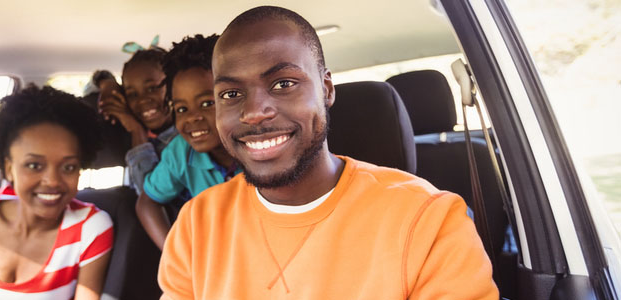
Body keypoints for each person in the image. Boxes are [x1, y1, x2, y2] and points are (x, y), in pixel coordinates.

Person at [157, 6, 499, 299]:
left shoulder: (427, 220)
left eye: (283, 84)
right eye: (231, 94)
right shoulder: (195, 224)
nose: (253, 112)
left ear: (326, 89)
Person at [0, 85, 113, 300]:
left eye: (68, 167)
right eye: (34, 165)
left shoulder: (91, 228)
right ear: (9, 168)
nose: (53, 181)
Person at [135, 34, 240, 250]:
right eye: (181, 109)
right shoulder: (181, 152)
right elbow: (147, 203)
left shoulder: (261, 144)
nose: (192, 117)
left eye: (206, 103)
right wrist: (174, 256)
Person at [95, 49, 178, 193]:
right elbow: (98, 76)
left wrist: (136, 130)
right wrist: (107, 83)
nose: (142, 100)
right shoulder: (139, 135)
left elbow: (150, 197)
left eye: (152, 88)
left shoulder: (186, 142)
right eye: (132, 94)